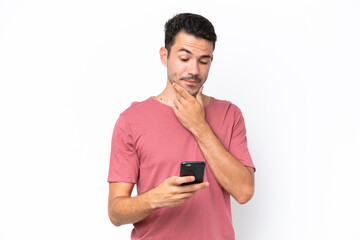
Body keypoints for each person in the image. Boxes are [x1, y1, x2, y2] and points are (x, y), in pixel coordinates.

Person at [107, 13, 255, 240]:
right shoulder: (131, 120)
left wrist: (199, 125)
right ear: (164, 56)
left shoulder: (229, 114)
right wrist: (156, 197)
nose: (194, 70)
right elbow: (116, 212)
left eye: (203, 61)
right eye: (184, 59)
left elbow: (244, 191)